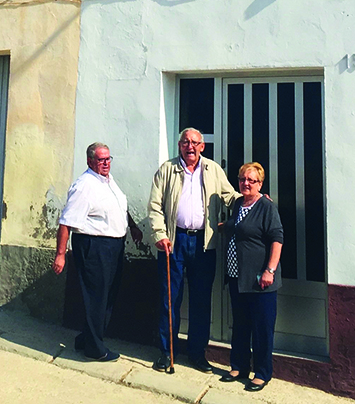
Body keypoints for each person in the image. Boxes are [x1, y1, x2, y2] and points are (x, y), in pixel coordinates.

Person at [148, 127, 240, 373]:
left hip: (203, 243)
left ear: (202, 146)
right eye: (185, 142)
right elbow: (155, 206)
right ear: (179, 146)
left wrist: (254, 200)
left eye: (195, 142)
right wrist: (160, 234)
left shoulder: (212, 170)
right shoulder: (167, 170)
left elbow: (231, 196)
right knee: (170, 298)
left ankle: (197, 354)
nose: (190, 146)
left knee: (201, 301)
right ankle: (167, 353)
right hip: (173, 241)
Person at [52, 142, 142, 362]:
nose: (105, 163)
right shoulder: (84, 186)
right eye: (101, 160)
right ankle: (94, 348)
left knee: (106, 295)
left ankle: (86, 339)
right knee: (97, 297)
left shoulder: (109, 181)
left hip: (113, 245)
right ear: (90, 161)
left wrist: (132, 226)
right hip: (94, 246)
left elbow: (118, 206)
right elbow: (66, 222)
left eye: (108, 159)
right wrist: (61, 254)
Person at [219, 162, 283, 392]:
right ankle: (239, 366)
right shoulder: (238, 204)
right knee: (241, 324)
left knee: (262, 327)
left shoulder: (266, 206)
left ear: (260, 184)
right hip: (238, 277)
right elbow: (240, 227)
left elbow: (277, 238)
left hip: (260, 279)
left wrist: (270, 270)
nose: (246, 183)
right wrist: (223, 226)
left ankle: (263, 373)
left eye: (252, 180)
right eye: (243, 179)